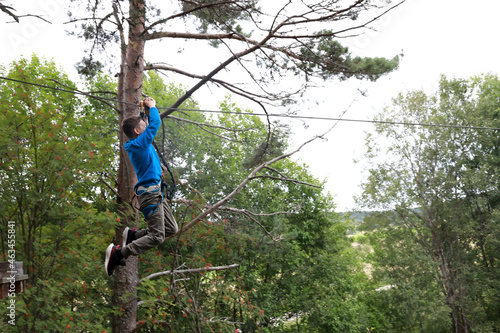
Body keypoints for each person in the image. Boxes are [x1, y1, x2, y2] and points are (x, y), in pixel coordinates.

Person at [105, 97, 178, 277]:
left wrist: (145, 109)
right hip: (150, 195)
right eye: (142, 125)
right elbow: (154, 124)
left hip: (155, 193)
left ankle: (133, 235)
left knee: (172, 229)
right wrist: (153, 108)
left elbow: (147, 123)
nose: (146, 125)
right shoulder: (139, 144)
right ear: (137, 131)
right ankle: (119, 253)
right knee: (157, 236)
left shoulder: (140, 142)